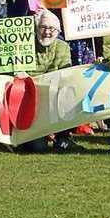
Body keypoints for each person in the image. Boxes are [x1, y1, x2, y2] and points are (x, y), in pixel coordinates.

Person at [17, 10, 74, 152]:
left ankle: (63, 137)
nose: (47, 32)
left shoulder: (63, 47)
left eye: (52, 29)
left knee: (68, 93)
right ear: (36, 28)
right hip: (29, 101)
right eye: (43, 27)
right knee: (36, 148)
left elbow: (66, 73)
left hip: (53, 97)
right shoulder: (23, 45)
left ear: (58, 30)